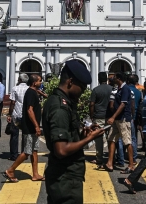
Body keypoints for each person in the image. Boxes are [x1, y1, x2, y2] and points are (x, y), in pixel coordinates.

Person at [42, 60, 104, 204]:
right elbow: (61, 150)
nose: (83, 91)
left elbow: (67, 138)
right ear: (70, 82)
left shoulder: (59, 101)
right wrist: (89, 139)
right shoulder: (60, 108)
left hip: (64, 177)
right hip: (65, 178)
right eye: (81, 87)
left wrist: (83, 135)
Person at [3, 74, 44, 182]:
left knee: (34, 150)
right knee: (27, 152)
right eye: (40, 81)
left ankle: (35, 174)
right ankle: (11, 170)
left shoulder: (33, 92)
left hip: (32, 127)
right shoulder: (30, 92)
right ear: (34, 82)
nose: (41, 82)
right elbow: (29, 110)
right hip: (30, 127)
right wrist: (36, 126)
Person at [104, 72, 135, 174]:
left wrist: (113, 117)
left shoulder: (125, 89)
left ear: (119, 79)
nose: (113, 79)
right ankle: (109, 163)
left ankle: (131, 165)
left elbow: (123, 104)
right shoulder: (119, 89)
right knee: (111, 139)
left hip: (123, 119)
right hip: (118, 119)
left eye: (114, 77)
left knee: (127, 141)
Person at [89, 72, 113, 166]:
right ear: (106, 79)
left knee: (98, 138)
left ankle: (99, 158)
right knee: (111, 138)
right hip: (110, 116)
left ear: (98, 79)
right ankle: (111, 158)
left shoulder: (95, 90)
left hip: (98, 116)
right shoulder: (112, 89)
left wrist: (91, 115)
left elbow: (92, 104)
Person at [7, 74, 29, 161]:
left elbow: (12, 102)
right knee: (25, 135)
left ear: (19, 79)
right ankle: (24, 154)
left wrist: (9, 114)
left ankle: (14, 155)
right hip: (26, 115)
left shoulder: (15, 88)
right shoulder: (29, 89)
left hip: (16, 114)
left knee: (14, 135)